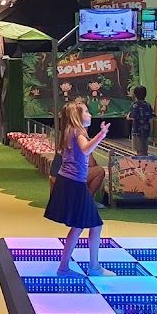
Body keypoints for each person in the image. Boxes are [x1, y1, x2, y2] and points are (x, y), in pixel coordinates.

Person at [45, 101, 112, 277]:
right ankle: (92, 267)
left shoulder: (70, 131)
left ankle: (65, 267)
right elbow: (85, 149)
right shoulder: (78, 132)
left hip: (68, 182)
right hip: (74, 183)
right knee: (95, 225)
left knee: (79, 226)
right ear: (77, 117)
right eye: (87, 112)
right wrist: (101, 135)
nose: (90, 114)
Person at [127, 85, 155, 156]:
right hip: (146, 131)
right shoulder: (148, 105)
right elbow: (152, 117)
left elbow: (130, 117)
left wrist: (128, 116)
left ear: (135, 94)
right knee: (144, 150)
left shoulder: (134, 105)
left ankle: (141, 163)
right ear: (145, 94)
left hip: (137, 131)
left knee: (139, 151)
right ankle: (145, 162)